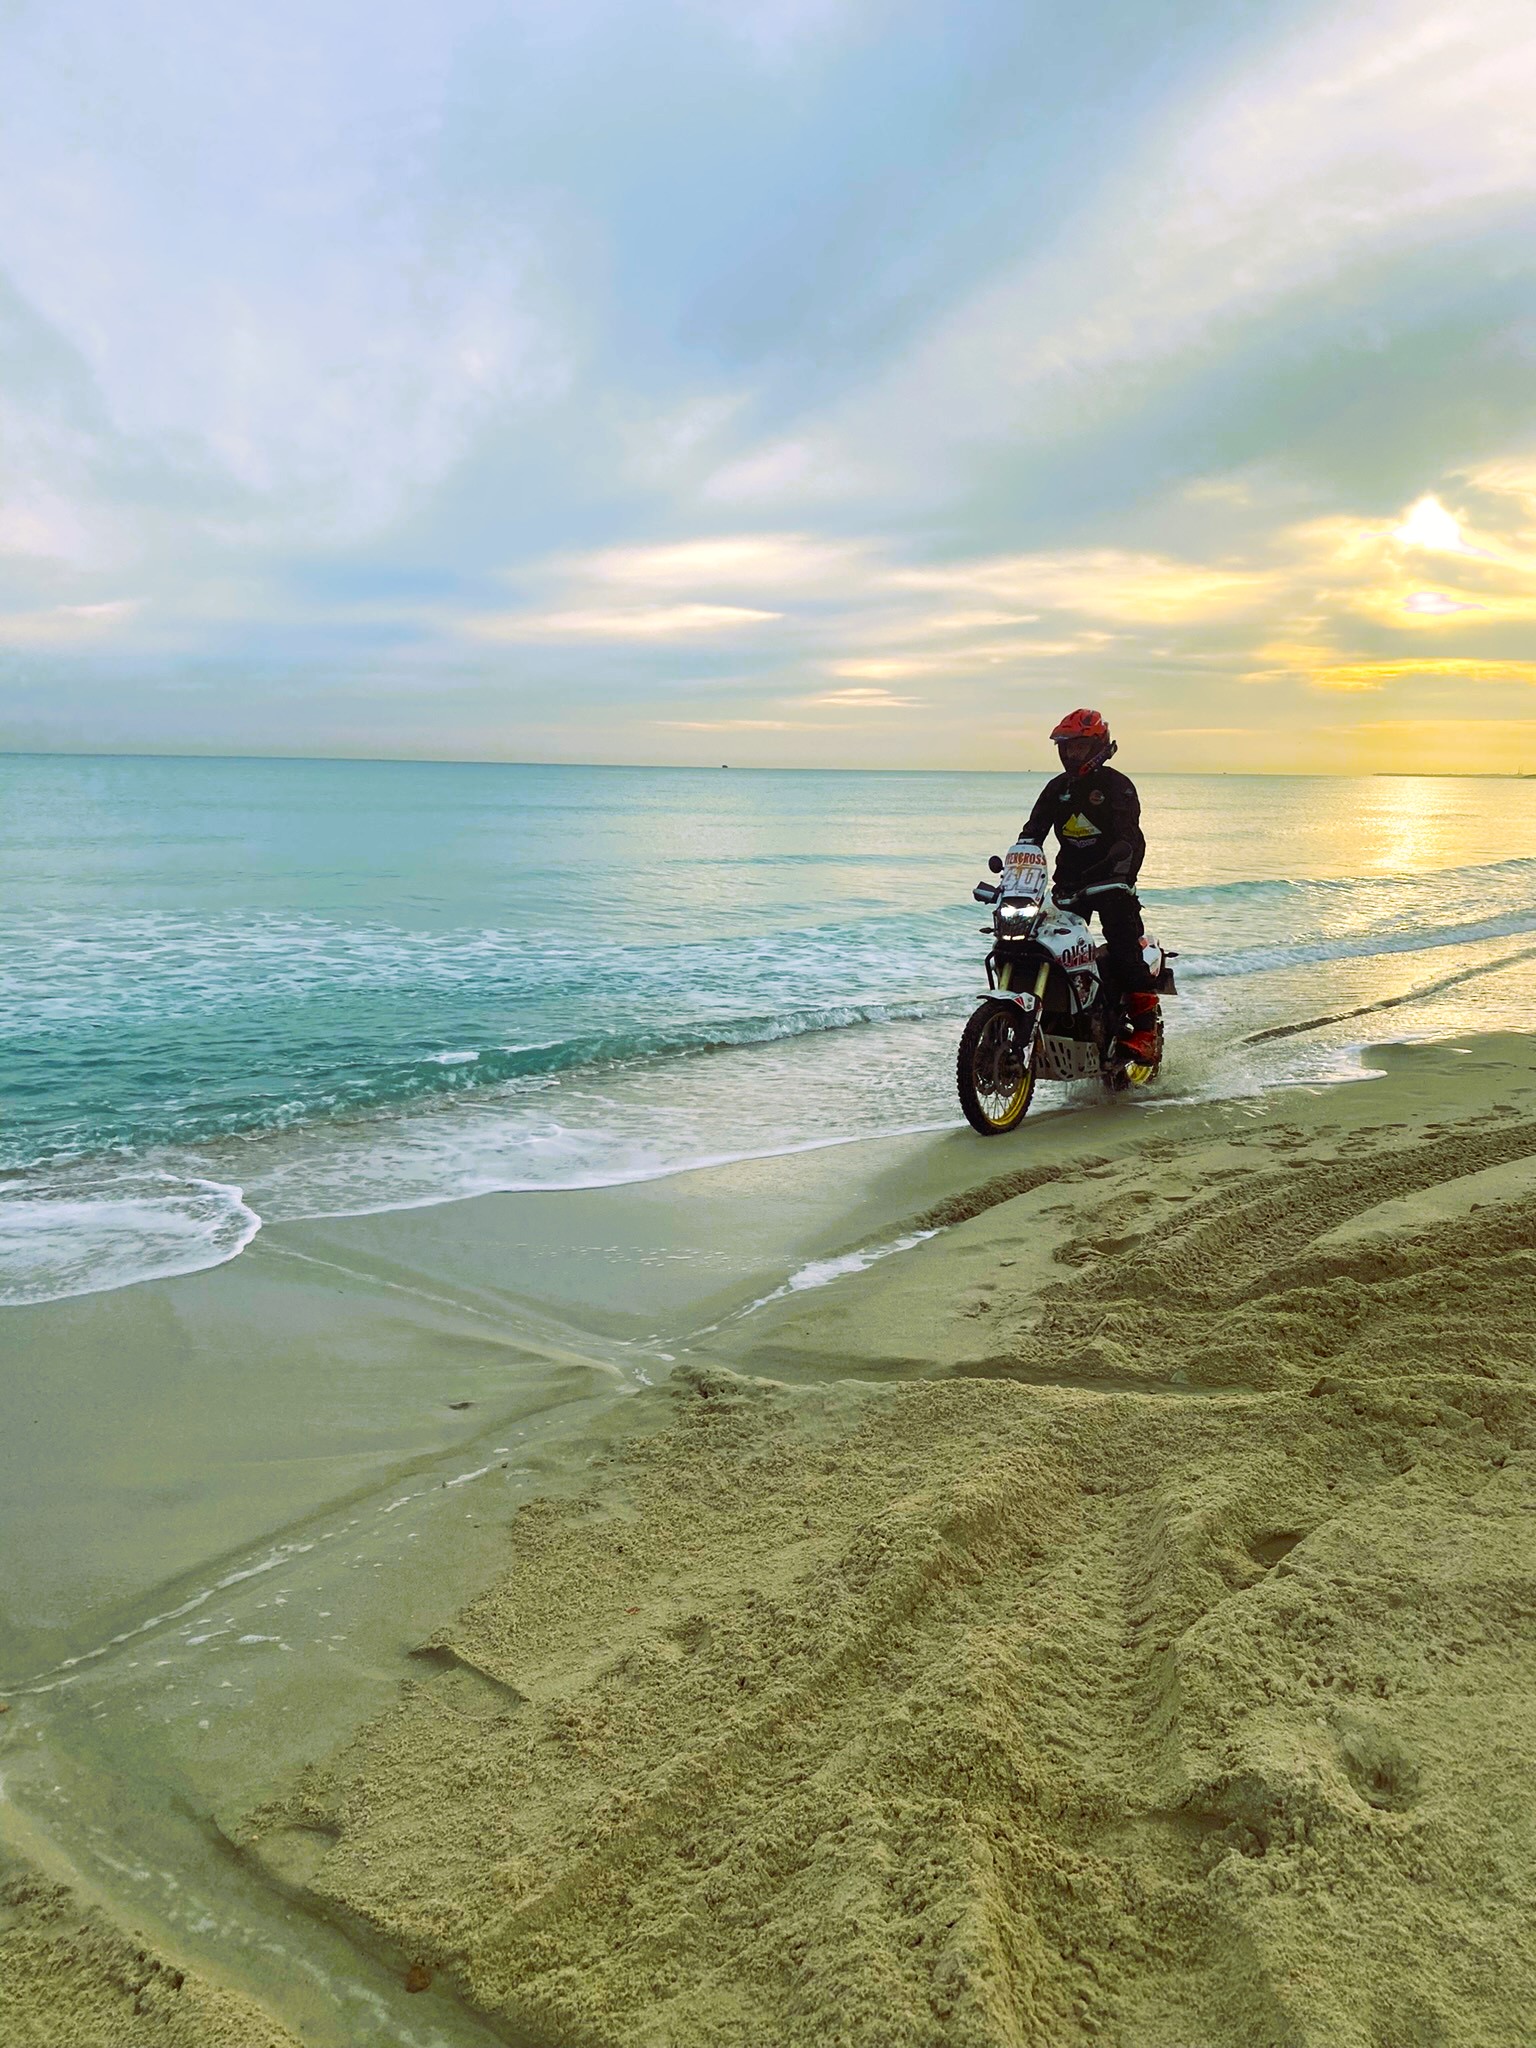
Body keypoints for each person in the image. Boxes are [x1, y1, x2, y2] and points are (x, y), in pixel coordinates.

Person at [1017, 708, 1161, 1061]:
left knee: (1125, 946)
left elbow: (1130, 838)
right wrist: (1018, 864)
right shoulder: (1057, 788)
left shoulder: (1117, 786)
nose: (1071, 755)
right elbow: (1031, 833)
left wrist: (1120, 875)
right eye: (1066, 748)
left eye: (1078, 747)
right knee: (1044, 945)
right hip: (1069, 883)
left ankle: (1145, 1032)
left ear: (1096, 745)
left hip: (1111, 881)